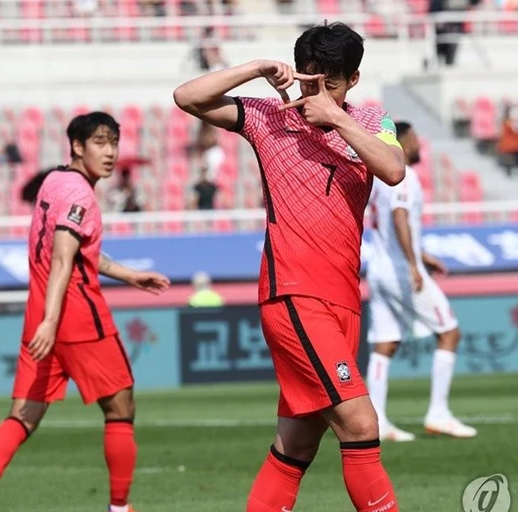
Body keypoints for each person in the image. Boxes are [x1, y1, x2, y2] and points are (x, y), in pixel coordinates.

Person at [173, 21, 405, 512]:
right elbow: (186, 96)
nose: (317, 91)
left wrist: (338, 118)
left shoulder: (373, 119)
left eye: (332, 82)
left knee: (296, 446)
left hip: (343, 300)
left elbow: (393, 169)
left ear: (353, 80)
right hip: (293, 294)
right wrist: (256, 68)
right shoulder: (267, 117)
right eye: (311, 78)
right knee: (362, 426)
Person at [0, 112, 171, 512]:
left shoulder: (54, 182)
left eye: (114, 142)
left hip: (39, 309)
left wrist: (129, 275)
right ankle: (119, 507)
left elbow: (77, 250)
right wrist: (54, 321)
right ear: (77, 146)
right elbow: (63, 258)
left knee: (24, 412)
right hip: (73, 313)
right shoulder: (81, 195)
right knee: (121, 406)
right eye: (100, 142)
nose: (110, 152)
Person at [365, 121, 476, 442]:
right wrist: (415, 264)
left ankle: (378, 420)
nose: (418, 144)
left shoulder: (378, 178)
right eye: (413, 138)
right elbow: (399, 216)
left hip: (380, 268)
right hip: (401, 271)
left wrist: (421, 254)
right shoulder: (402, 174)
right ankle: (438, 413)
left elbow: (388, 222)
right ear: (401, 142)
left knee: (385, 344)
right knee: (450, 332)